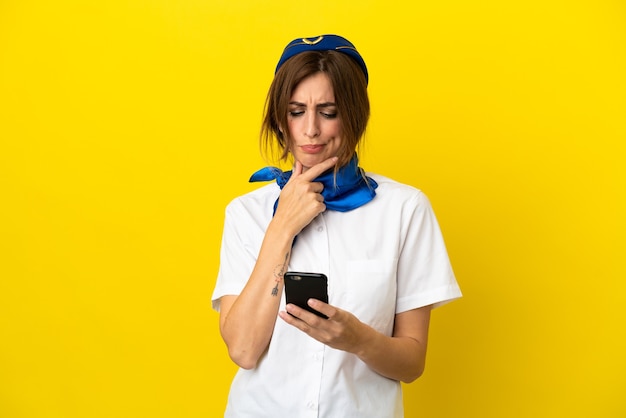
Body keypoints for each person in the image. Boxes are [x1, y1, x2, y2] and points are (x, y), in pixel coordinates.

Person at [211, 34, 462, 418]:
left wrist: (358, 339)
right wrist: (281, 228)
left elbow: (412, 363)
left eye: (328, 112)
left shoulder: (405, 209)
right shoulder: (246, 213)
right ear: (281, 119)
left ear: (354, 115)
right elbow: (243, 350)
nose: (310, 129)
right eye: (296, 111)